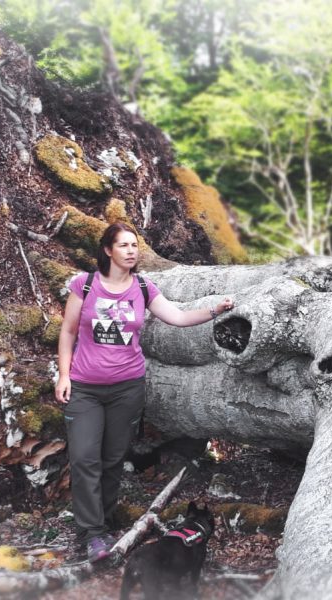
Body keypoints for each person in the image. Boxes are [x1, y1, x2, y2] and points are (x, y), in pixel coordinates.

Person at [55, 222, 233, 563]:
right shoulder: (85, 284)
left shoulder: (143, 287)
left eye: (134, 245)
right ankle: (92, 534)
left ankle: (101, 527)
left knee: (111, 460)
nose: (131, 250)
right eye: (123, 245)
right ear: (108, 250)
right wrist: (64, 375)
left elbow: (178, 318)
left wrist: (214, 310)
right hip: (85, 388)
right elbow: (68, 331)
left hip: (127, 388)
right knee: (83, 458)